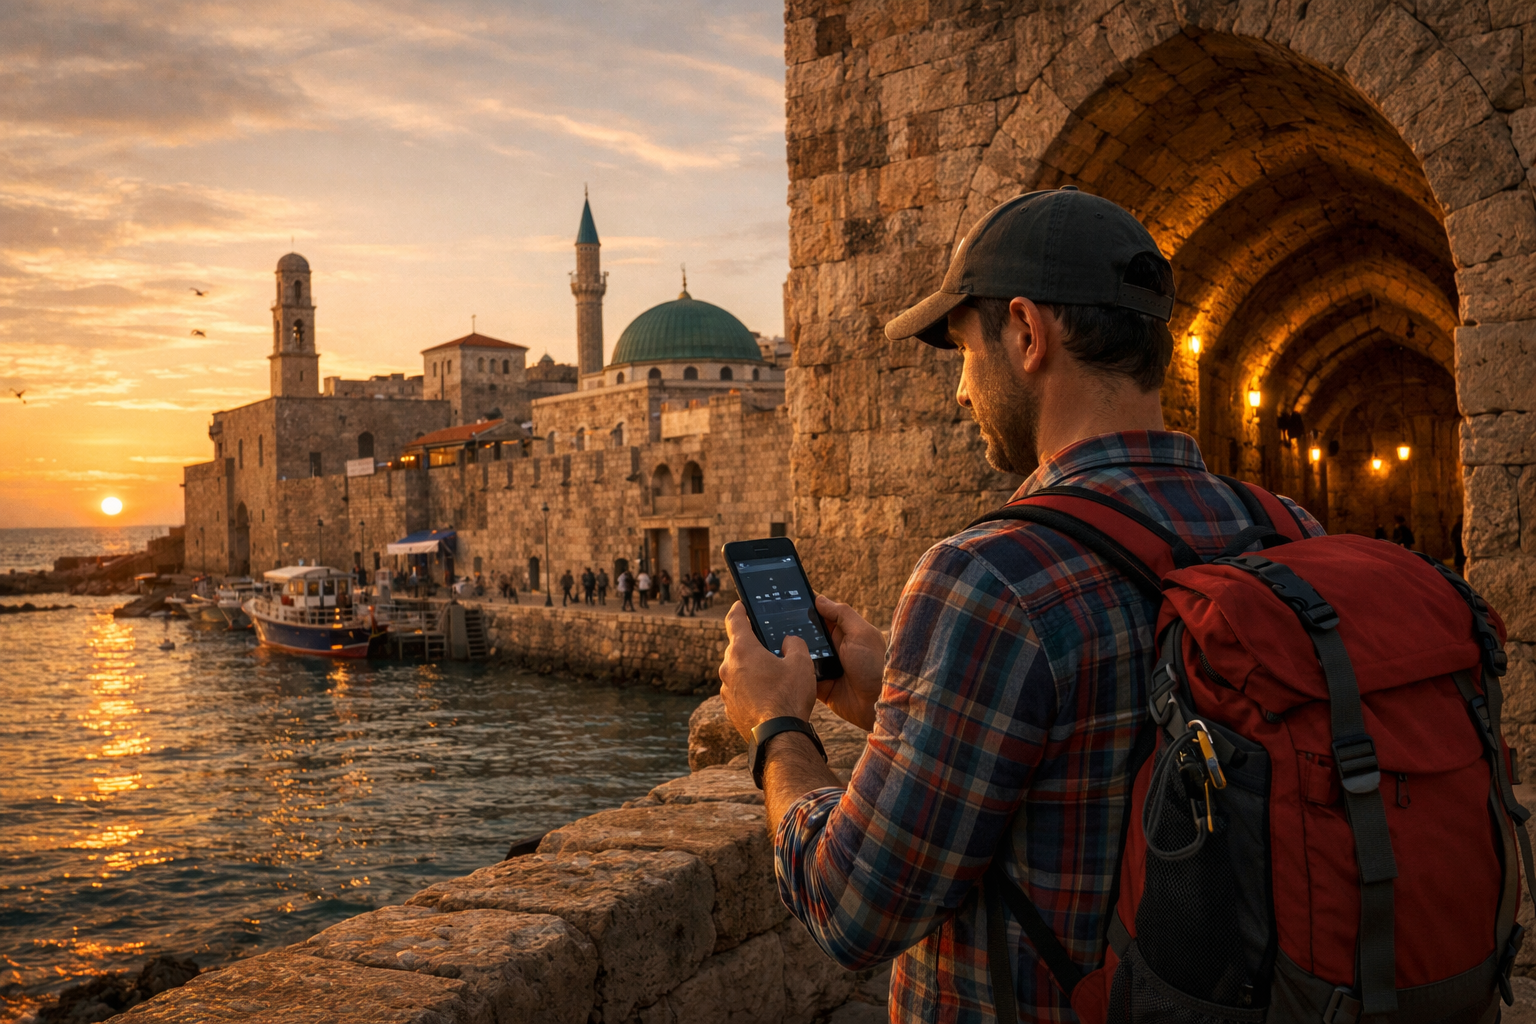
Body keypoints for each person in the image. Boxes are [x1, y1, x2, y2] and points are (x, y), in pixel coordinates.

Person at [716, 187, 1325, 1023]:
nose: (961, 393)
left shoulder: (991, 576)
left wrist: (776, 729)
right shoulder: (1288, 529)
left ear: (1028, 335)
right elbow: (1115, 739)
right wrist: (906, 686)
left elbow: (851, 908)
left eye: (965, 350)